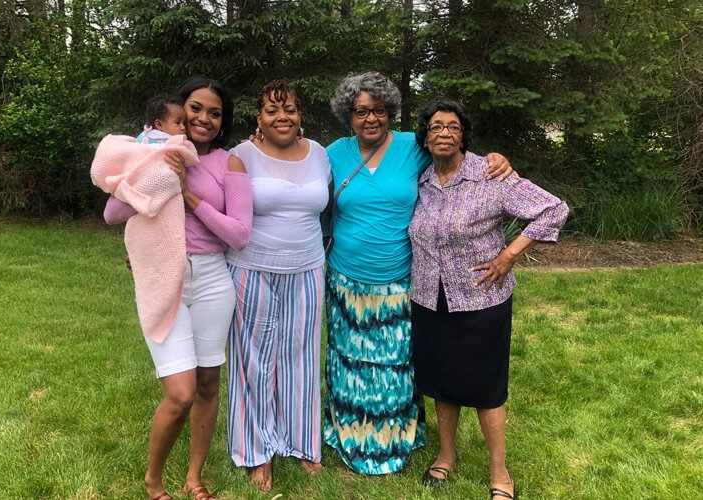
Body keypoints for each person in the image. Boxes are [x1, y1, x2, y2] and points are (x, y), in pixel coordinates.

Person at [322, 71, 514, 475]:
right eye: (360, 111)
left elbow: (458, 155)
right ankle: (350, 433)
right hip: (344, 279)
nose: (370, 119)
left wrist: (496, 159)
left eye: (378, 110)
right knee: (351, 362)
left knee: (394, 365)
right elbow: (295, 177)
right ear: (348, 115)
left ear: (390, 111)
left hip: (398, 280)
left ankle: (393, 439)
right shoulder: (333, 154)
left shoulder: (414, 147)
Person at [409, 100, 568, 499]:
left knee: (486, 386)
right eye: (435, 127)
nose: (444, 133)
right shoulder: (422, 179)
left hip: (482, 298)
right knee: (443, 381)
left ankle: (500, 473)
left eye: (453, 127)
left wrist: (509, 255)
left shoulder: (491, 174)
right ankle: (446, 456)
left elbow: (553, 209)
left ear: (464, 135)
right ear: (425, 137)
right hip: (431, 296)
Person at [104, 76, 253, 500]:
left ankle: (194, 477)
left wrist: (189, 196)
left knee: (207, 384)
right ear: (178, 112)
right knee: (180, 392)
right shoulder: (154, 154)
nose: (204, 118)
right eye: (195, 108)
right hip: (163, 279)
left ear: (222, 121)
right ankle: (154, 479)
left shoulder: (230, 164)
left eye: (215, 112)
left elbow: (239, 234)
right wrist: (156, 173)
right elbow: (113, 213)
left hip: (211, 279)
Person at [225, 79, 329, 492]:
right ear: (259, 118)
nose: (282, 117)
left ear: (299, 115)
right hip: (252, 269)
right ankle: (257, 451)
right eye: (272, 110)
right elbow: (220, 212)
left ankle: (302, 444)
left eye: (289, 110)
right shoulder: (241, 155)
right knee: (253, 361)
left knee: (300, 359)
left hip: (307, 270)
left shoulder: (320, 154)